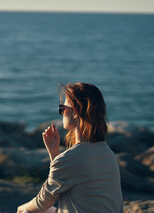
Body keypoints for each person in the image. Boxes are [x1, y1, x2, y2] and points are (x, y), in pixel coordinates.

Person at [17, 83, 123, 213]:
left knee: (26, 212)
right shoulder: (106, 152)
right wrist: (54, 153)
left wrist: (20, 208)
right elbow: (64, 182)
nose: (61, 113)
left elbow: (43, 202)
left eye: (63, 108)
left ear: (75, 112)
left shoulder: (73, 157)